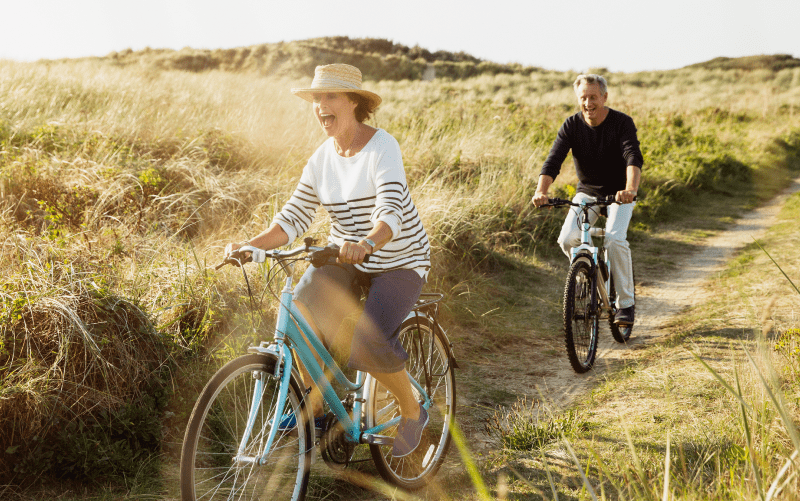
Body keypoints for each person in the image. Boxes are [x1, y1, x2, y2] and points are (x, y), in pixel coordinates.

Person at [224, 64, 431, 457]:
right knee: (301, 308)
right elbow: (292, 218)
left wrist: (368, 243)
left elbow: (390, 211)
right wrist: (249, 245)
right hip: (345, 255)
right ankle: (316, 410)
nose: (320, 106)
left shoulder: (382, 148)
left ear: (355, 102)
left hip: (398, 260)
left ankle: (411, 410)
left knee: (366, 343)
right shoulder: (321, 159)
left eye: (330, 96)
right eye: (317, 99)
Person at [532, 74, 643, 325]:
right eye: (583, 97)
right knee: (567, 238)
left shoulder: (621, 122)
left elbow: (632, 157)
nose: (588, 102)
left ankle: (625, 304)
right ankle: (589, 277)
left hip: (619, 194)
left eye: (593, 97)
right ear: (578, 98)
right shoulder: (571, 125)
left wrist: (630, 189)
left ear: (604, 97)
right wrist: (541, 191)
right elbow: (554, 160)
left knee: (614, 238)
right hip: (588, 192)